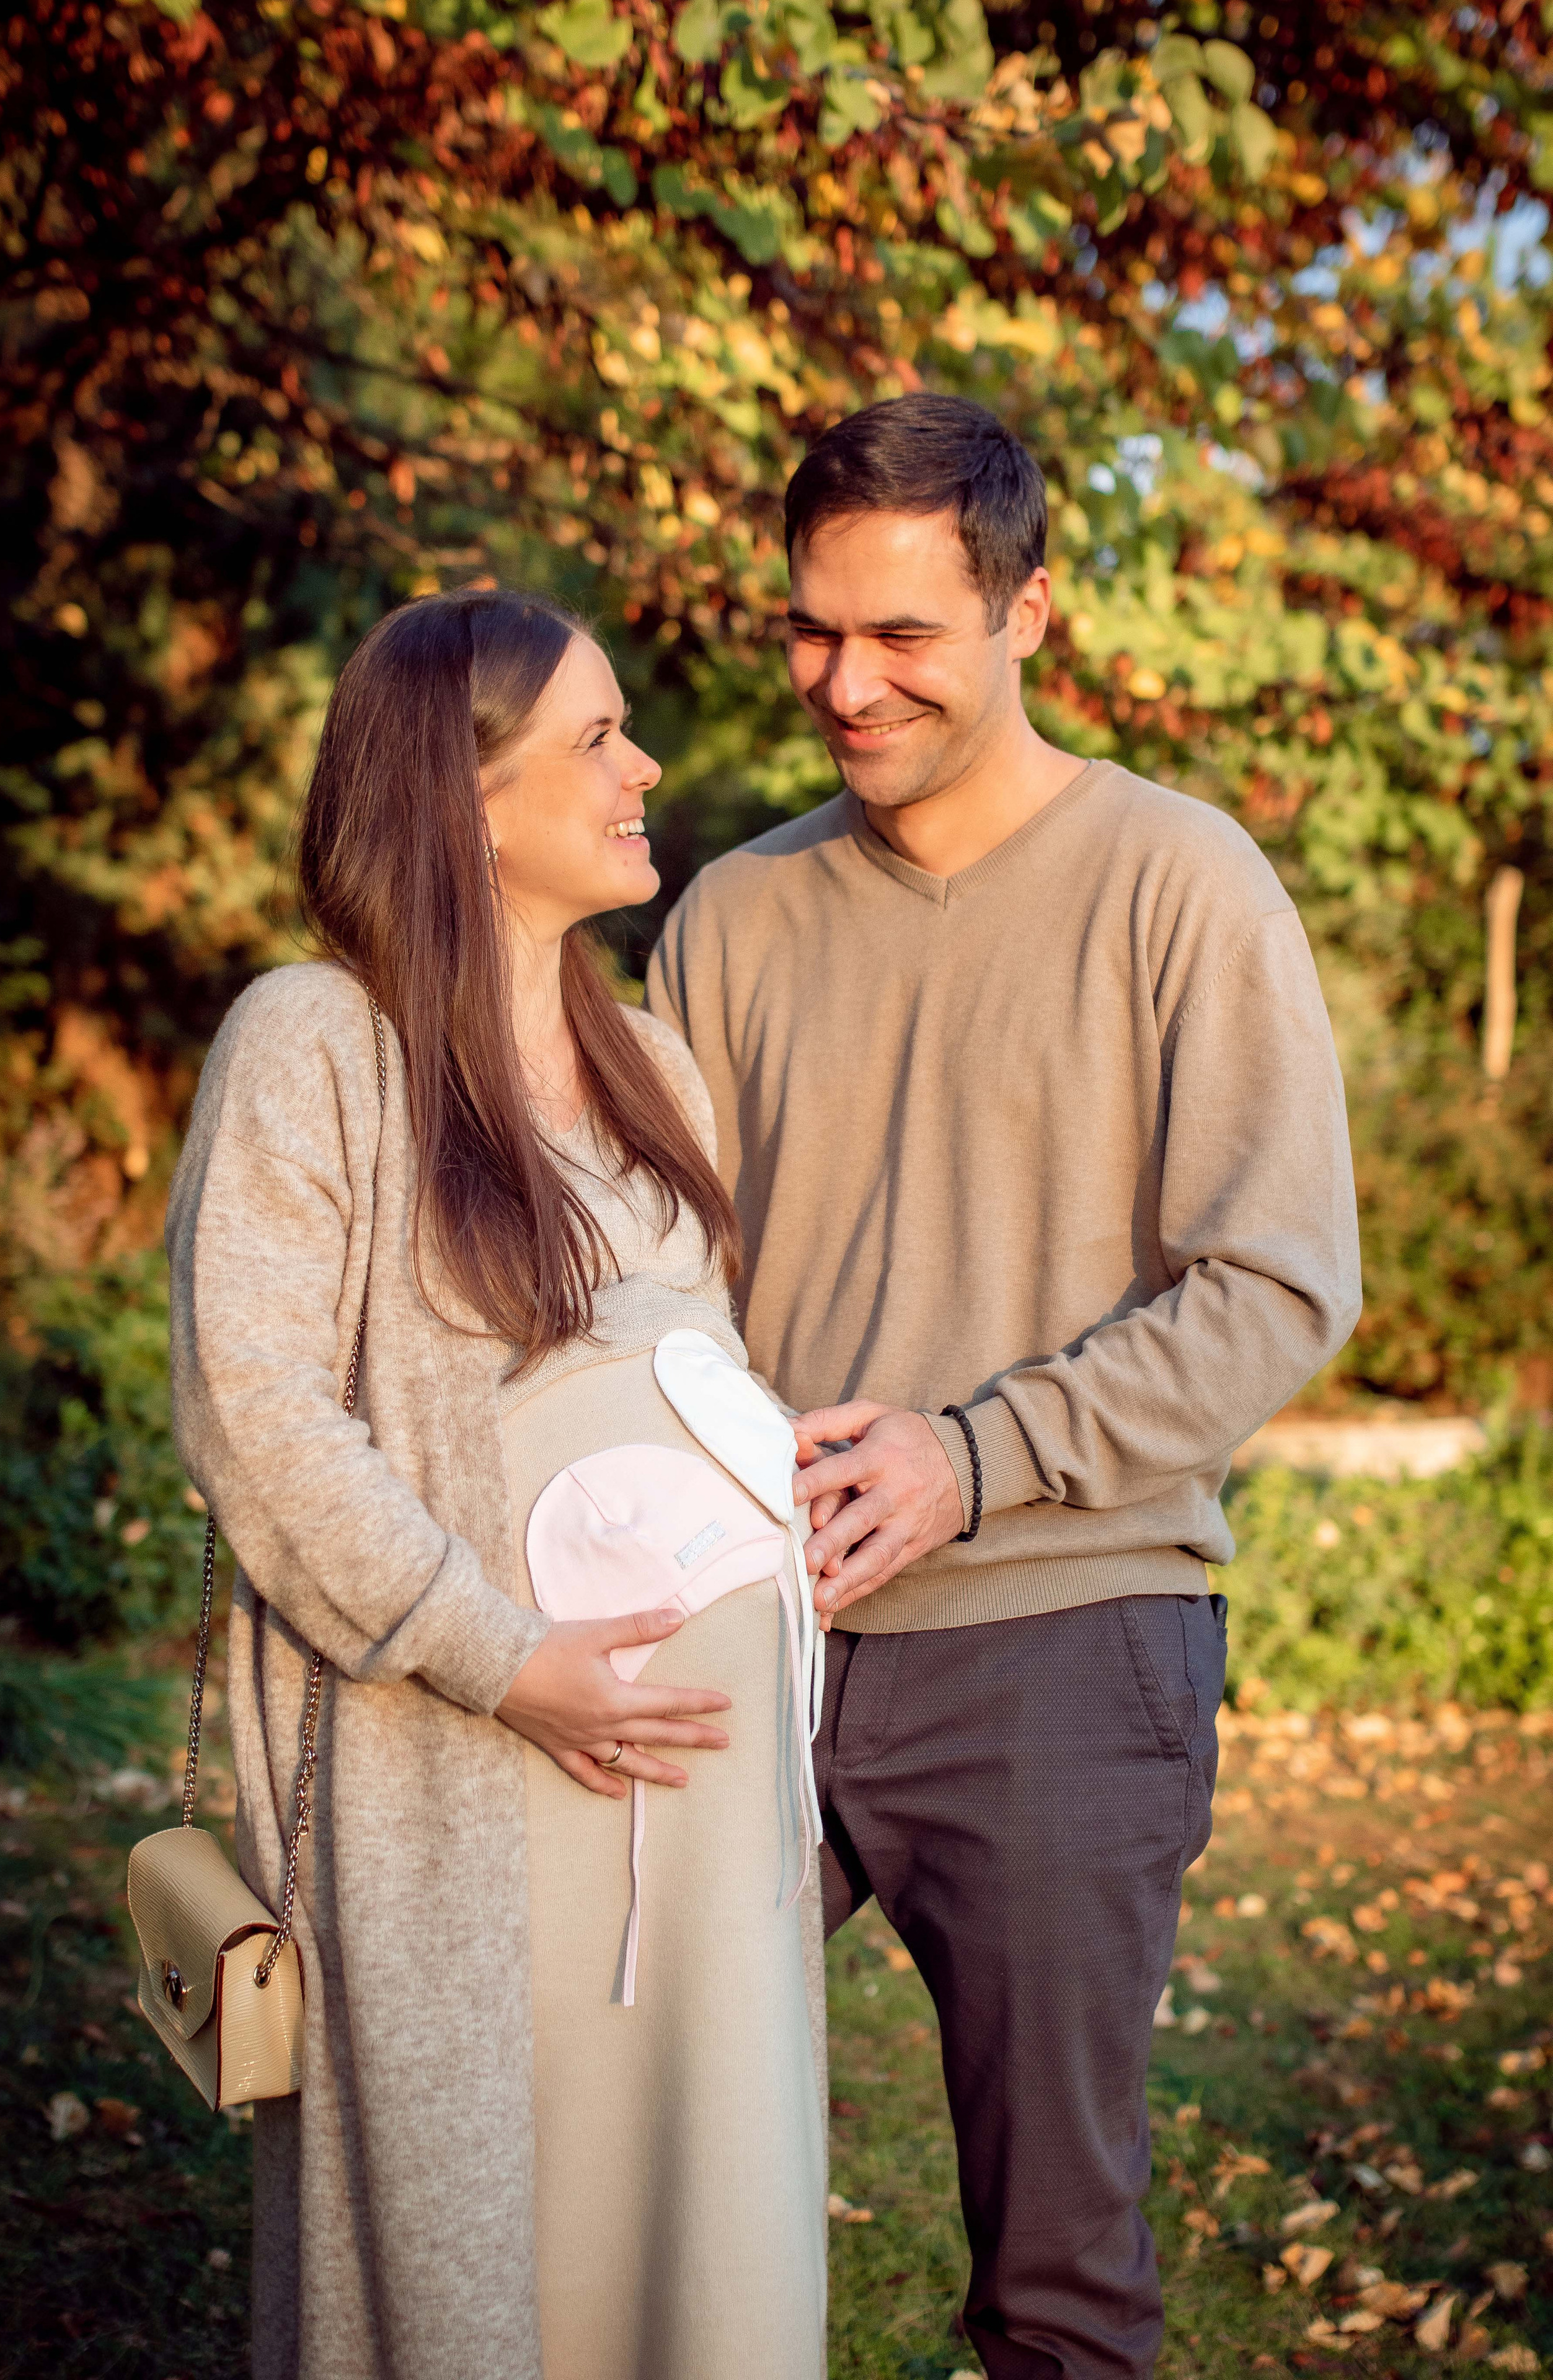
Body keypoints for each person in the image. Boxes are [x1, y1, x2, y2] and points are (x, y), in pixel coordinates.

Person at [647, 393, 1362, 2380]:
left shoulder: (1179, 883)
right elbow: (657, 1296)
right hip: (760, 1633)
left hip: (1067, 1630)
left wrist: (978, 1458)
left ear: (1029, 611)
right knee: (624, 2162)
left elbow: (1282, 1281)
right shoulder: (728, 918)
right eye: (812, 631)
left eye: (902, 638)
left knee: (1054, 2275)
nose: (844, 685)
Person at [166, 588, 826, 2380]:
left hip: (696, 1817)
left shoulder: (656, 1068)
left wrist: (784, 1483)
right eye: (599, 738)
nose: (647, 768)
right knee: (483, 2276)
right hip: (463, 1775)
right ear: (463, 801)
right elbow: (259, 1410)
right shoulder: (319, 1045)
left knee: (698, 2248)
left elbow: (699, 1375)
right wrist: (503, 1654)